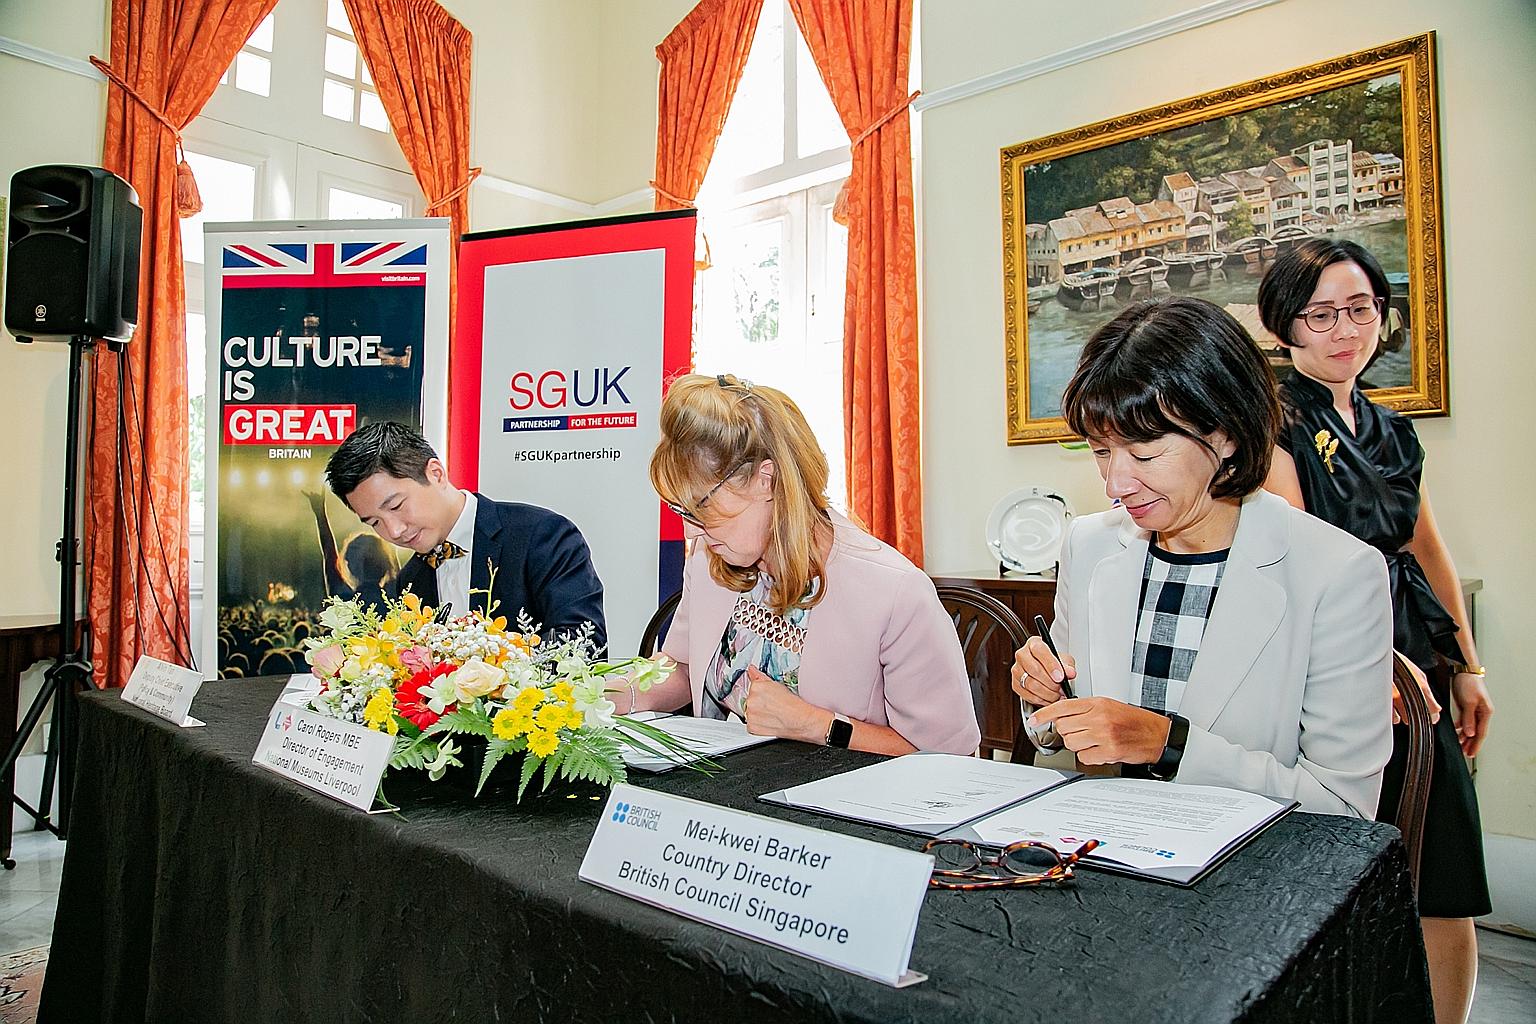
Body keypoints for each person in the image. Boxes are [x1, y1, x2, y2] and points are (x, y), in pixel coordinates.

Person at [1011, 297, 1392, 818]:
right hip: (1099, 845)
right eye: (1102, 451)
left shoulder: (1337, 574)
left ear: (1228, 433)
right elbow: (1057, 733)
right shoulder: (1090, 544)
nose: (1116, 485)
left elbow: (1342, 806)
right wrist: (1043, 700)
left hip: (1248, 878)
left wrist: (1169, 745)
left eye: (1144, 453)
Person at [1258, 239, 1492, 1024]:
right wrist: (1376, 659)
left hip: (1412, 648)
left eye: (1360, 309)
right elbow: (1294, 551)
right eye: (1320, 314)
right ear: (1285, 325)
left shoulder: (1395, 432)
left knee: (1444, 863)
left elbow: (1426, 547)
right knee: (1334, 859)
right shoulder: (1273, 420)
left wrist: (1465, 662)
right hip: (1330, 661)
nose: (1344, 329)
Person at [627, 373, 980, 756]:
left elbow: (952, 758)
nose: (690, 532)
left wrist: (817, 725)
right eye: (680, 509)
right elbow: (681, 667)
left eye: (702, 508)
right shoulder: (710, 558)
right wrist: (598, 696)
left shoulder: (894, 592)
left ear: (767, 480)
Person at [324, 421, 607, 647]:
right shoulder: (410, 579)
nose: (394, 530)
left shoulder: (541, 535)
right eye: (375, 522)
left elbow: (584, 643)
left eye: (396, 505)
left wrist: (489, 673)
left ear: (435, 473)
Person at [305, 489, 398, 611]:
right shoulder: (395, 599)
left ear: (350, 566)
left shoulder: (344, 601)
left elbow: (329, 555)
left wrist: (320, 514)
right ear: (385, 564)